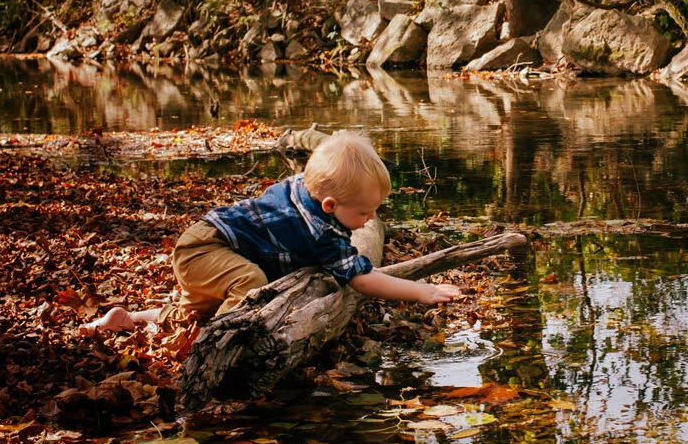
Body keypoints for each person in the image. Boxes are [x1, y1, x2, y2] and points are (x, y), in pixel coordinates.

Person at [85, 130, 460, 333]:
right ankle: (216, 343)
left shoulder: (304, 187)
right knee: (249, 283)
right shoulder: (320, 231)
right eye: (365, 212)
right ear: (329, 206)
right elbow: (361, 279)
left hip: (207, 248)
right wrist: (420, 291)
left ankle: (128, 320)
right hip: (205, 250)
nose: (371, 219)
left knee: (190, 315)